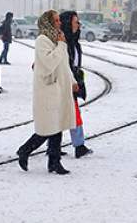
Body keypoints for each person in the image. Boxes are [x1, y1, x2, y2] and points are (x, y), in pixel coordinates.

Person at [16, 10, 75, 175]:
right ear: (48, 23)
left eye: (58, 20)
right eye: (56, 20)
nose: (59, 23)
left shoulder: (57, 38)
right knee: (48, 128)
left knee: (57, 126)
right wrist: (62, 45)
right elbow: (50, 63)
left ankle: (54, 162)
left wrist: (73, 82)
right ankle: (25, 150)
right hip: (48, 89)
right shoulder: (43, 40)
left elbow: (64, 64)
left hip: (60, 87)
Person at [60, 10, 94, 158]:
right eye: (76, 22)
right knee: (73, 114)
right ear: (68, 24)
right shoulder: (62, 42)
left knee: (62, 114)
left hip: (72, 81)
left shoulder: (74, 41)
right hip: (64, 83)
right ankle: (79, 146)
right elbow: (63, 65)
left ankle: (52, 145)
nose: (79, 25)